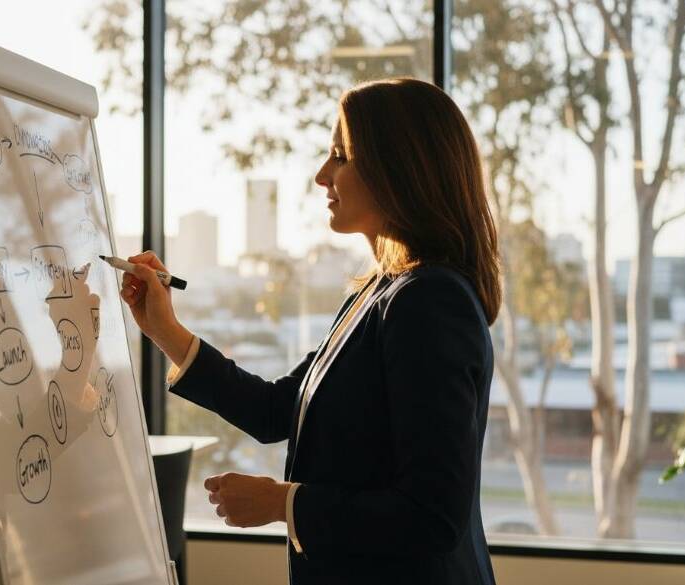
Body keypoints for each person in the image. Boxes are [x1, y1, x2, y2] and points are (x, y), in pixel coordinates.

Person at [120, 77, 501, 585]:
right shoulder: (380, 293)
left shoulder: (429, 303)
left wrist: (284, 502)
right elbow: (280, 410)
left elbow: (432, 516)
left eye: (341, 157)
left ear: (400, 169)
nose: (323, 176)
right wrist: (165, 330)